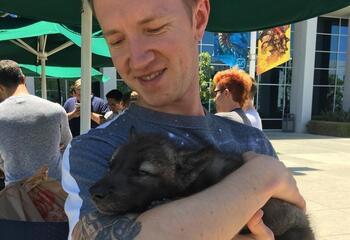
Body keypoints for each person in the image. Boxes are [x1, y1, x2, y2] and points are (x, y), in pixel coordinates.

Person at [62, 0, 305, 239]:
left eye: (154, 29)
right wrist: (260, 179)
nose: (137, 60)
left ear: (198, 19)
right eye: (116, 40)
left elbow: (295, 223)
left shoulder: (252, 140)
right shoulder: (92, 149)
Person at [0, 60, 72, 185]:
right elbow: (67, 147)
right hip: (54, 192)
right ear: (23, 79)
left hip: (17, 195)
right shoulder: (55, 109)